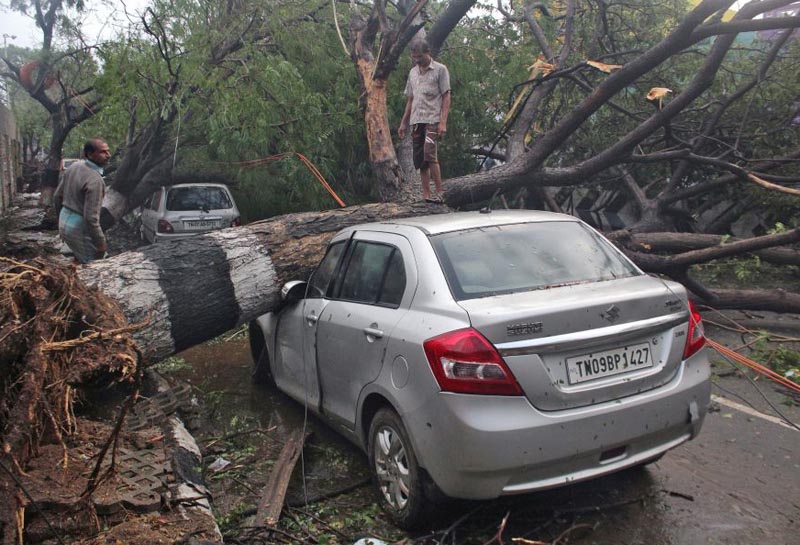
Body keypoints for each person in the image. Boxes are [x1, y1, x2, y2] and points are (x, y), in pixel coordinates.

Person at [398, 40, 451, 202]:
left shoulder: (440, 70)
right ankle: (426, 195)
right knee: (420, 158)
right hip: (416, 120)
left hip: (432, 118)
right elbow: (410, 99)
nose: (417, 60)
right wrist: (403, 122)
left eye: (419, 56)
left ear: (428, 53)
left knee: (430, 154)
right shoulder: (413, 73)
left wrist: (443, 122)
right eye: (414, 57)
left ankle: (440, 191)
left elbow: (446, 95)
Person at [54, 138, 111, 263]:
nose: (108, 155)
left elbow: (57, 196)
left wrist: (60, 225)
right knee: (95, 265)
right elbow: (91, 218)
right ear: (90, 154)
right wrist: (101, 243)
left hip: (64, 220)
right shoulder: (95, 180)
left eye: (108, 151)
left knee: (79, 259)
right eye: (103, 152)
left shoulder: (74, 166)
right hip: (77, 227)